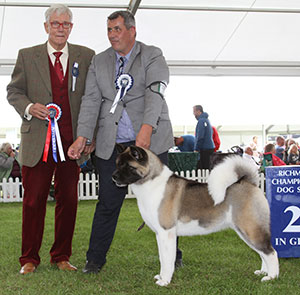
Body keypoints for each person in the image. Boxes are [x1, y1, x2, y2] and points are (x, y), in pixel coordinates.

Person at [67, 10, 181, 274]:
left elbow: (156, 92)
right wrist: (83, 135)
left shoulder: (152, 55)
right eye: (109, 30)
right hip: (113, 145)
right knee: (107, 202)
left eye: (117, 29)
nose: (112, 35)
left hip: (151, 142)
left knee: (164, 202)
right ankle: (94, 260)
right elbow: (91, 100)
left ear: (132, 30)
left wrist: (146, 130)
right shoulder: (99, 61)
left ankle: (173, 256)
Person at [7, 4, 95, 275]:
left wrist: (88, 137)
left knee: (69, 200)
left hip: (73, 144)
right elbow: (14, 91)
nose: (60, 28)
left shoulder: (86, 56)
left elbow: (94, 99)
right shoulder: (27, 56)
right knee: (33, 201)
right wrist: (28, 107)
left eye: (66, 24)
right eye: (56, 23)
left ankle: (61, 256)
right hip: (37, 143)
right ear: (46, 26)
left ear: (71, 27)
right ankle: (29, 259)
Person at [193, 105, 215, 170]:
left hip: (204, 148)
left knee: (203, 168)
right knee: (208, 168)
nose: (193, 114)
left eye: (194, 111)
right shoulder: (207, 120)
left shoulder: (201, 121)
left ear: (198, 111)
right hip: (210, 147)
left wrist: (196, 148)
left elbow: (200, 136)